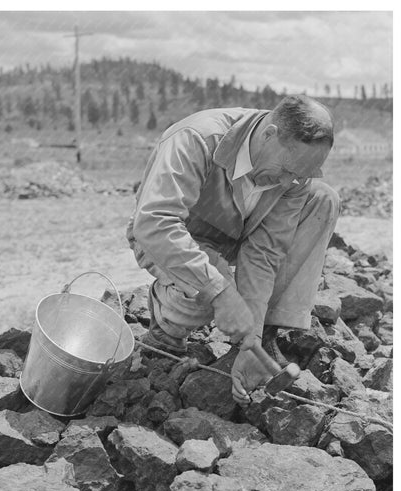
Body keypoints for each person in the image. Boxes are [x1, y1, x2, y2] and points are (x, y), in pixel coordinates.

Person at [126, 95, 340, 406]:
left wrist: (250, 338)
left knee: (323, 199)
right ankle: (167, 322)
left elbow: (264, 252)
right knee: (209, 289)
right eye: (285, 170)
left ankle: (264, 339)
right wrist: (221, 292)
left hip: (239, 236)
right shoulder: (196, 139)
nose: (287, 181)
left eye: (297, 176)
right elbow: (154, 223)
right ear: (269, 135)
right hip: (180, 237)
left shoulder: (295, 174)